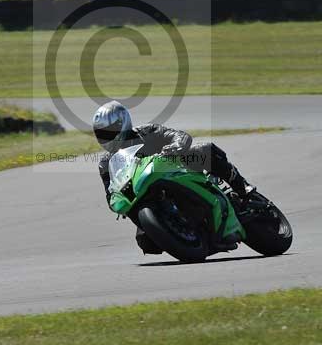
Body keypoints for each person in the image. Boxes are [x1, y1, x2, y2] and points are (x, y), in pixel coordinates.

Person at [93, 100, 255, 254]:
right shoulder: (106, 164)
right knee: (146, 242)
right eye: (101, 134)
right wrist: (117, 199)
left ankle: (243, 189)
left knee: (204, 150)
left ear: (122, 124)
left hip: (176, 170)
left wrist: (176, 145)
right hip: (144, 193)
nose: (106, 137)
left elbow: (179, 135)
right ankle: (187, 233)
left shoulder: (146, 132)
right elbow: (111, 195)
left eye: (109, 132)